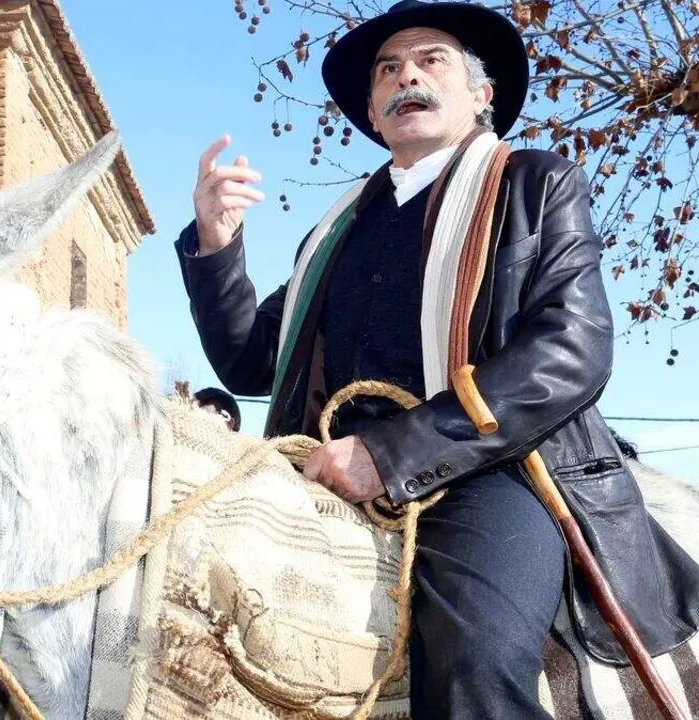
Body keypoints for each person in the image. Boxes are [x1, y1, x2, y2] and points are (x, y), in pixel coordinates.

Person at [175, 1, 699, 716]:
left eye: (430, 61)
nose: (405, 76)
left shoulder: (536, 183)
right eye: (388, 70)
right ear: (373, 108)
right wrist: (216, 244)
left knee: (474, 659)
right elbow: (249, 363)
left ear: (481, 96)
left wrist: (390, 455)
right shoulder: (333, 231)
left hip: (493, 472)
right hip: (322, 470)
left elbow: (571, 352)